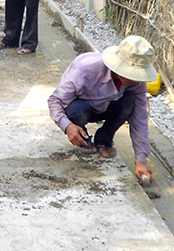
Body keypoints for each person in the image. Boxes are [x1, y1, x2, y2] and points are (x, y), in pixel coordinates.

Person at [48, 35, 157, 182]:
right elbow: (55, 101)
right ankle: (83, 137)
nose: (136, 80)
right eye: (132, 74)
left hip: (108, 105)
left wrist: (141, 159)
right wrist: (67, 127)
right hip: (81, 106)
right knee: (76, 110)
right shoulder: (84, 70)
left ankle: (104, 140)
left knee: (129, 102)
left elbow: (140, 117)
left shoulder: (137, 83)